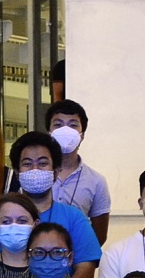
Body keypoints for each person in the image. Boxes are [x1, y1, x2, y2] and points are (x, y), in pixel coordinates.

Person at [0, 132, 101, 278]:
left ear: (56, 172)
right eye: (27, 164)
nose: (35, 169)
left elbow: (85, 268)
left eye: (43, 163)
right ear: (17, 173)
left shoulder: (74, 218)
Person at [44, 97, 112, 241]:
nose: (65, 130)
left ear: (82, 135)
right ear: (49, 132)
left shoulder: (97, 181)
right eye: (58, 124)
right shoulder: (33, 175)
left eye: (73, 125)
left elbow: (99, 236)